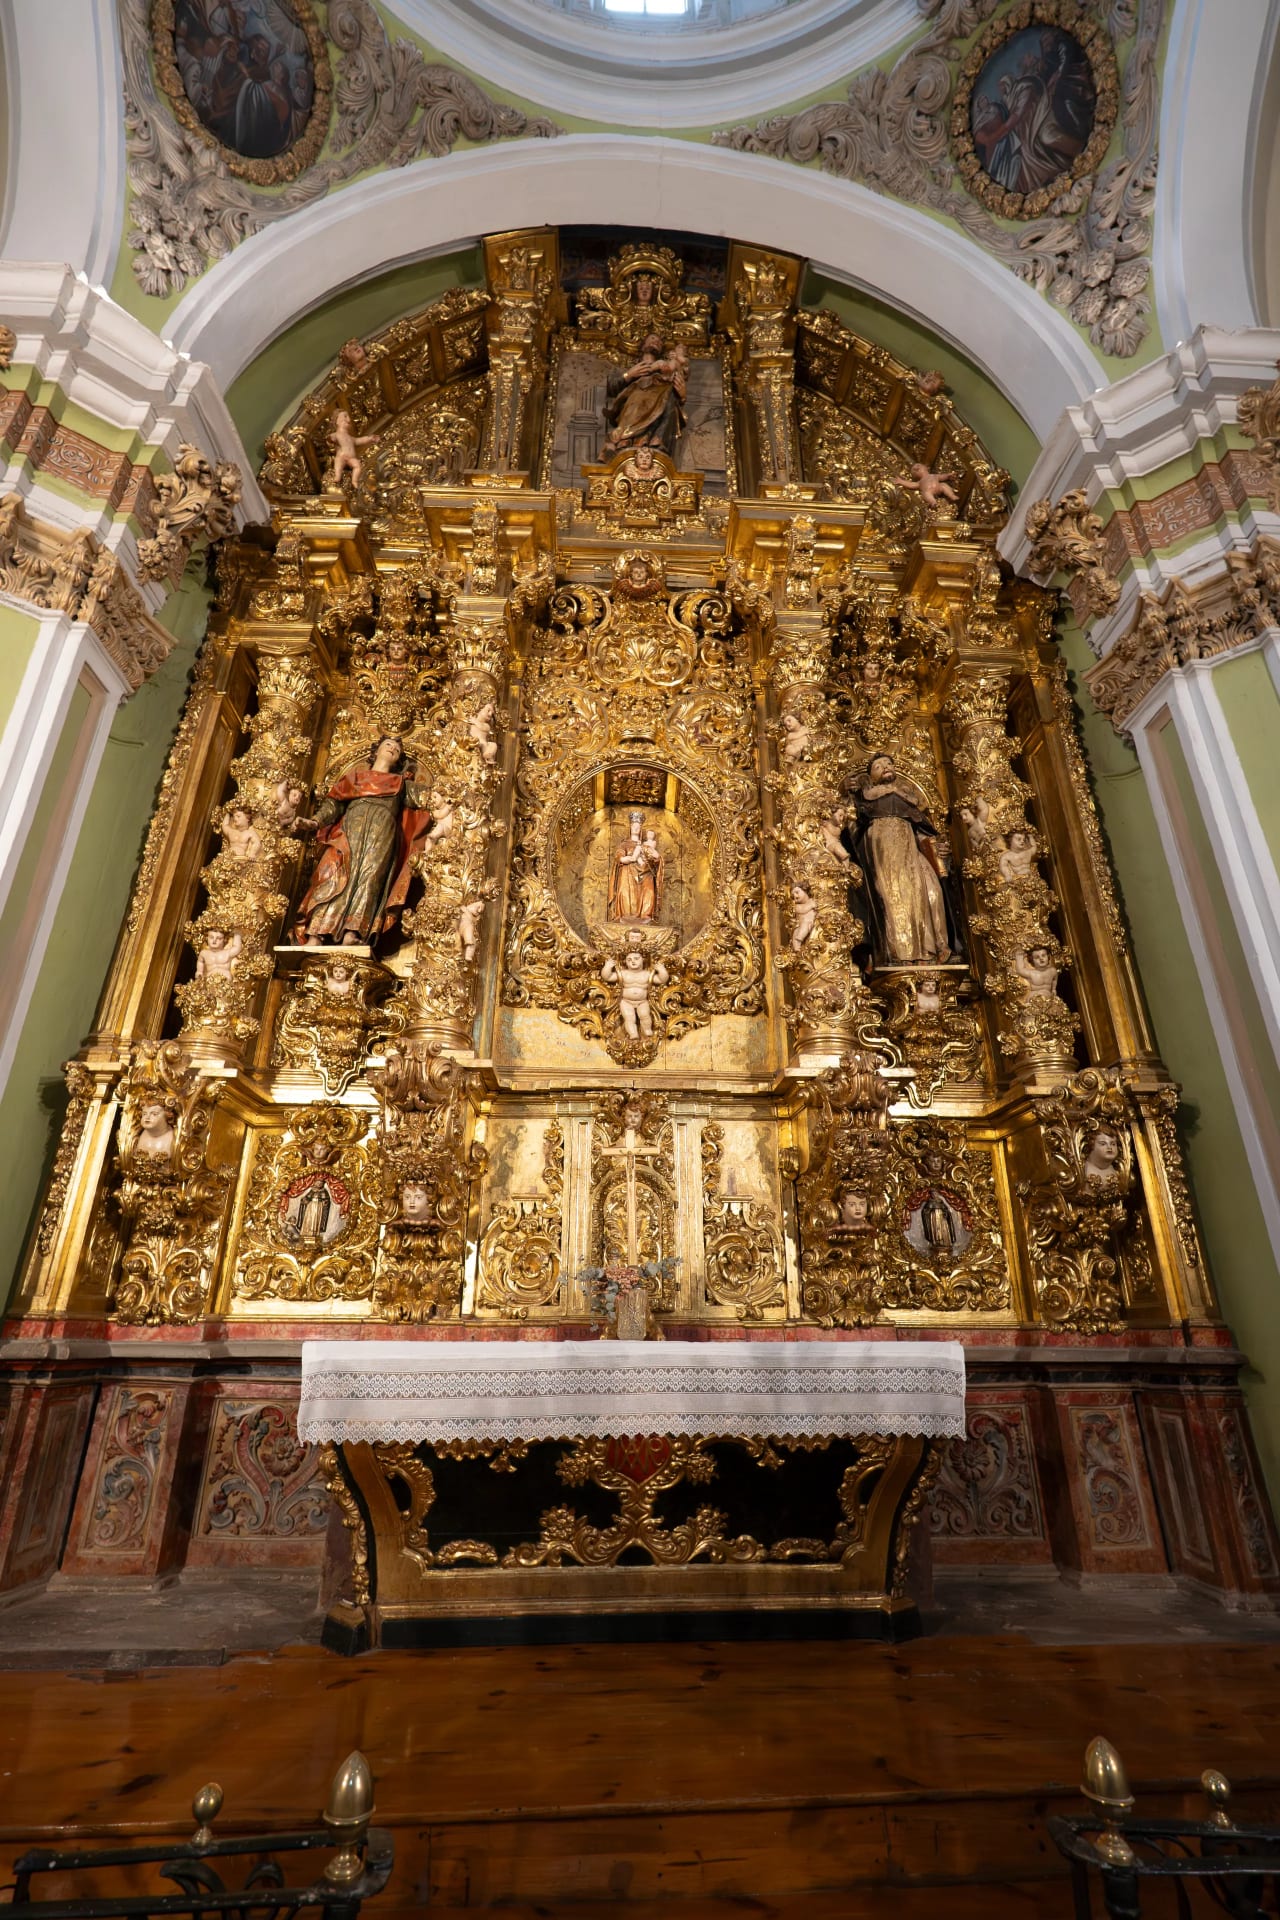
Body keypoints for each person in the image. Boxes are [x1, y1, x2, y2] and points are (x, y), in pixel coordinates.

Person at [291, 736, 432, 947]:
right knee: (333, 873)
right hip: (349, 832)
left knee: (371, 878)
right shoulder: (354, 778)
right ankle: (315, 933)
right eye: (388, 745)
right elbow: (333, 806)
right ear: (376, 751)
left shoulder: (402, 784)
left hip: (382, 834)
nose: (392, 749)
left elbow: (432, 798)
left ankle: (353, 932)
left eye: (397, 748)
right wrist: (314, 822)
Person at [847, 754, 958, 965]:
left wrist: (938, 849)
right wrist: (846, 791)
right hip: (883, 857)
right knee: (891, 899)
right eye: (878, 766)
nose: (886, 767)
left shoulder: (906, 798)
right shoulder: (866, 799)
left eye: (889, 764)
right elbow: (851, 825)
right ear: (870, 777)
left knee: (931, 891)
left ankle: (936, 947)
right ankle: (900, 954)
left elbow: (922, 831)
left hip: (911, 855)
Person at [603, 335, 688, 458]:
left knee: (669, 403)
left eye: (659, 342)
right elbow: (611, 387)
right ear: (642, 345)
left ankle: (657, 443)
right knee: (640, 400)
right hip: (635, 402)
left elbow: (676, 387)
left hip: (662, 403)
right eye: (653, 339)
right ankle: (624, 440)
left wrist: (682, 395)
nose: (657, 342)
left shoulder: (665, 371)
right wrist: (629, 374)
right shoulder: (627, 368)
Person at [608, 811, 662, 924]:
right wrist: (630, 858)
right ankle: (625, 916)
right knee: (624, 893)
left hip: (645, 873)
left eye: (639, 826)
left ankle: (645, 916)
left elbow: (656, 860)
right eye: (634, 826)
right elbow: (620, 858)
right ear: (630, 827)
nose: (636, 828)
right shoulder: (624, 844)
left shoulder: (646, 845)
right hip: (627, 873)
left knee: (649, 893)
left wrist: (656, 858)